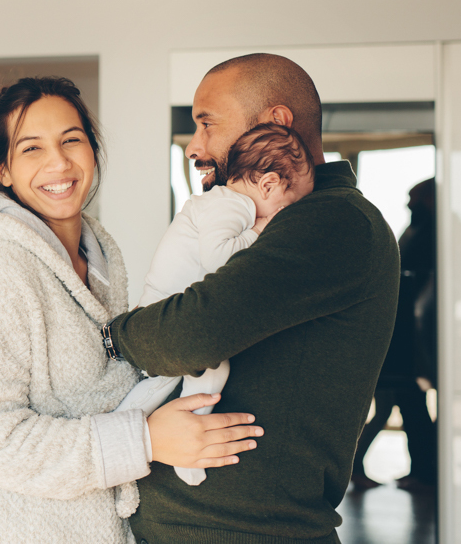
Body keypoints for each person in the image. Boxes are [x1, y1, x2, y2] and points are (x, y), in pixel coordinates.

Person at [0, 77, 261, 544]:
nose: (59, 162)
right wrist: (145, 440)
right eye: (32, 149)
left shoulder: (100, 252)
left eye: (72, 140)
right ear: (3, 169)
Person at [100, 54, 399, 542]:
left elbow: (187, 336)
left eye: (207, 123)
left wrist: (115, 332)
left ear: (276, 122)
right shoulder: (272, 219)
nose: (196, 145)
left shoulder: (333, 222)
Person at [117, 122, 315, 488]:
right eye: (287, 207)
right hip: (167, 309)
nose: (282, 217)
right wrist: (259, 232)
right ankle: (189, 443)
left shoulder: (223, 203)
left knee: (162, 381)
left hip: (162, 304)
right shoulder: (234, 206)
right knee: (211, 369)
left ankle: (128, 431)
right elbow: (217, 257)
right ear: (268, 184)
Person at [352, 178, 438, 490]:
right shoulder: (418, 232)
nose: (408, 204)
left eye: (414, 198)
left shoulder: (432, 234)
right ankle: (422, 471)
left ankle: (424, 471)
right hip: (399, 336)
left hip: (412, 336)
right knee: (397, 402)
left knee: (399, 402)